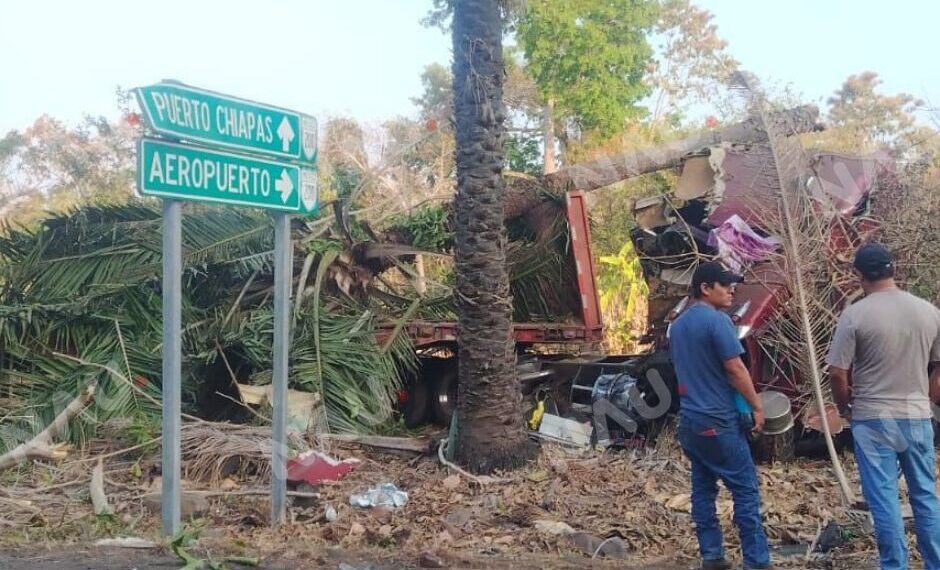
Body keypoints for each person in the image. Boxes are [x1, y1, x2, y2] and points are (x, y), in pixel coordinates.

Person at [827, 243, 940, 570]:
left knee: (885, 499)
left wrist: (845, 406)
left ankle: (894, 565)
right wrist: (927, 398)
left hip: (873, 419)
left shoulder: (855, 314)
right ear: (894, 269)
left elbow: (837, 371)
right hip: (916, 416)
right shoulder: (928, 311)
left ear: (858, 274)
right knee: (925, 496)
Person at [669, 261, 773, 570]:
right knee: (745, 489)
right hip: (718, 420)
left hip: (690, 420)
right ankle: (757, 561)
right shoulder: (717, 322)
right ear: (705, 288)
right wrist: (756, 406)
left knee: (702, 488)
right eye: (724, 284)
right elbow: (735, 368)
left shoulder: (679, 325)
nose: (731, 289)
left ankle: (712, 555)